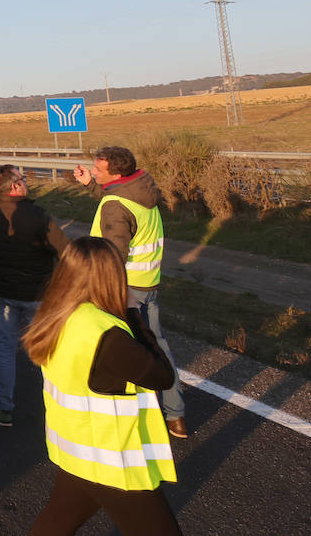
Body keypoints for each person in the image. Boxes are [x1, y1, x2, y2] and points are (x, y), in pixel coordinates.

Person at [24, 237, 181, 536]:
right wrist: (134, 314)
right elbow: (162, 376)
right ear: (112, 278)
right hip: (113, 462)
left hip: (75, 449)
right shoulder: (106, 333)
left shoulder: (57, 316)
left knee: (57, 522)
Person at [74, 146, 186, 439]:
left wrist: (98, 286)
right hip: (149, 281)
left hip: (122, 287)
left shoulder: (115, 204)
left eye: (98, 170)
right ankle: (176, 415)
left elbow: (113, 251)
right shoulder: (142, 187)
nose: (94, 172)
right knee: (158, 345)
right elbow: (121, 206)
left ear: (116, 173)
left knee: (125, 354)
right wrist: (92, 186)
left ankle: (136, 420)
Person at [0, 165, 68, 427]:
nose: (26, 183)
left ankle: (2, 406)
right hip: (39, 295)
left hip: (2, 292)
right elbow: (66, 253)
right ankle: (63, 407)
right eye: (22, 179)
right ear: (14, 186)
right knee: (50, 349)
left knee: (4, 348)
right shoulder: (38, 215)